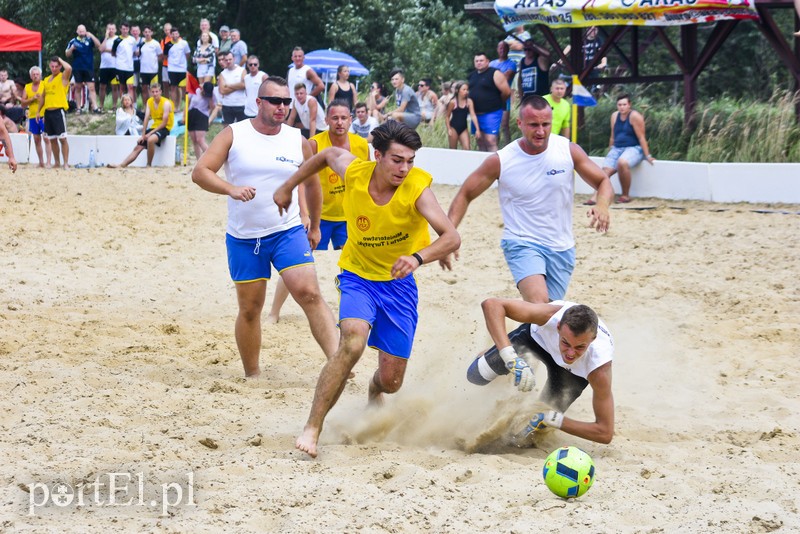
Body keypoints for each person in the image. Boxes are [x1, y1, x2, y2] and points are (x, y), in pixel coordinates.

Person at [273, 120, 461, 459]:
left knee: (391, 382)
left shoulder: (418, 187)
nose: (405, 168)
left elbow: (451, 237)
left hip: (399, 286)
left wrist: (420, 257)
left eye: (410, 161)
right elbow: (326, 154)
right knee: (352, 342)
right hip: (357, 276)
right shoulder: (355, 172)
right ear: (377, 156)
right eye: (397, 160)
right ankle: (312, 427)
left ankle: (375, 391)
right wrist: (289, 187)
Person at [191, 75, 340, 379]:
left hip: (287, 231)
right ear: (258, 102)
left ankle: (339, 363)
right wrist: (229, 189)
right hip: (245, 237)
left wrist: (314, 224)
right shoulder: (235, 134)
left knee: (309, 292)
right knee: (250, 308)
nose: (282, 107)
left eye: (286, 101)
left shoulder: (296, 139)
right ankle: (253, 374)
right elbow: (200, 172)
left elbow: (313, 183)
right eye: (275, 101)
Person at [445, 95, 613, 303]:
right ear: (520, 123)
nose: (541, 131)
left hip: (562, 246)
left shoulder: (568, 150)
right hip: (522, 241)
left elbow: (603, 181)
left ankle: (517, 335)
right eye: (534, 125)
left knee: (544, 319)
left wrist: (602, 205)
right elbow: (465, 194)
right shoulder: (502, 160)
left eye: (546, 124)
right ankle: (499, 319)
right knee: (539, 305)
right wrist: (448, 237)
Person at [267, 99, 370, 323]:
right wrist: (305, 214)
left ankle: (353, 313)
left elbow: (367, 181)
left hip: (348, 217)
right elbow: (302, 181)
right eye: (335, 118)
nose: (340, 122)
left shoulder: (361, 145)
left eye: (344, 118)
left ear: (351, 120)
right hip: (320, 216)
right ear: (327, 120)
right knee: (296, 263)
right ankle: (274, 312)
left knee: (355, 266)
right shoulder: (315, 144)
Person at [466, 299, 614, 445]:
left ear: (593, 339)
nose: (570, 353)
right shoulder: (549, 316)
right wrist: (510, 357)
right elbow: (491, 304)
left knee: (524, 437)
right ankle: (521, 359)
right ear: (558, 327)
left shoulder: (599, 367)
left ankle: (521, 363)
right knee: (475, 376)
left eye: (580, 347)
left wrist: (552, 418)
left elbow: (605, 433)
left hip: (573, 373)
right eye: (565, 342)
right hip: (536, 341)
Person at [587, 94, 655, 205]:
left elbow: (642, 137)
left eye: (624, 104)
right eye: (619, 105)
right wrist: (610, 150)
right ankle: (596, 196)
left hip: (634, 148)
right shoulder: (614, 116)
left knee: (622, 162)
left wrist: (648, 156)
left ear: (629, 105)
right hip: (617, 148)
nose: (622, 107)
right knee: (605, 170)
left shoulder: (635, 116)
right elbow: (613, 135)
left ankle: (625, 195)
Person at [108, 84, 173, 168]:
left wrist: (149, 134)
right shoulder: (149, 101)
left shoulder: (166, 103)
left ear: (160, 92)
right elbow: (146, 118)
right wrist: (143, 135)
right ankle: (122, 165)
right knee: (138, 146)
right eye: (153, 92)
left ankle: (149, 164)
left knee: (150, 140)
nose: (155, 94)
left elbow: (164, 123)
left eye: (157, 91)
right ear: (150, 92)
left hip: (164, 128)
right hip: (154, 127)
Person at [468, 52, 511, 152]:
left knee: (491, 140)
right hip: (476, 114)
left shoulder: (495, 73)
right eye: (476, 61)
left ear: (487, 62)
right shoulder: (472, 76)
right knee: (480, 141)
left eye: (481, 60)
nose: (479, 63)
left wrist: (496, 102)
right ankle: (484, 165)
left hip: (492, 112)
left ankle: (495, 164)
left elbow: (506, 92)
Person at [41, 56, 73, 169]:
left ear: (59, 66)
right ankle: (57, 162)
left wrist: (60, 59)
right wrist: (39, 111)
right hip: (48, 112)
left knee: (62, 138)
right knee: (52, 139)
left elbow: (69, 68)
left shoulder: (62, 77)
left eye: (56, 66)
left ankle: (65, 163)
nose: (54, 68)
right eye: (52, 66)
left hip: (58, 111)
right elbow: (43, 97)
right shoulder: (46, 79)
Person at [65, 25, 102, 113]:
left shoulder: (89, 39)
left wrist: (91, 35)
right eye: (80, 31)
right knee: (78, 87)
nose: (82, 32)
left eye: (83, 31)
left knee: (91, 87)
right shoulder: (73, 41)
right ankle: (78, 108)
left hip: (88, 67)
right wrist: (71, 49)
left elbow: (98, 45)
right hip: (77, 68)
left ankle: (95, 107)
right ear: (77, 31)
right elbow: (67, 54)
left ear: (86, 31)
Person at [20, 66, 51, 168]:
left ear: (40, 75)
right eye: (33, 74)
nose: (35, 76)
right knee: (36, 139)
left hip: (44, 115)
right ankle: (41, 162)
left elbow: (50, 98)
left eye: (37, 74)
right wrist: (32, 98)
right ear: (30, 76)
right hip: (32, 116)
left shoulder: (45, 84)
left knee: (46, 138)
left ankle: (49, 162)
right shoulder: (27, 87)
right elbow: (23, 103)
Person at [489, 41, 517, 146]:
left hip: (505, 97)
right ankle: (495, 147)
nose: (502, 50)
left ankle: (507, 146)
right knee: (494, 126)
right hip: (493, 98)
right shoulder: (491, 64)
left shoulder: (512, 64)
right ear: (497, 49)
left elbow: (506, 78)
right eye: (500, 48)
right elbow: (488, 79)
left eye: (504, 48)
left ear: (508, 50)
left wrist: (494, 77)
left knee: (505, 125)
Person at [446, 80, 480, 150]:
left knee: (467, 148)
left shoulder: (469, 101)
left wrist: (477, 129)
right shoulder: (453, 102)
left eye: (467, 90)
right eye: (464, 90)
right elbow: (447, 116)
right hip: (453, 127)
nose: (466, 92)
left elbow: (473, 115)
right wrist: (448, 128)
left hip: (464, 128)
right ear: (458, 90)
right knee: (453, 149)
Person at [187, 81, 217, 159]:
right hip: (192, 113)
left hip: (202, 115)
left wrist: (210, 98)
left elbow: (213, 107)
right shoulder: (195, 89)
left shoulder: (211, 94)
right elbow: (188, 102)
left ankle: (211, 158)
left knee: (200, 140)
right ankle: (198, 159)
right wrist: (184, 115)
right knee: (194, 140)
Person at [217, 51, 246, 125]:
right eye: (226, 60)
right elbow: (222, 90)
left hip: (241, 104)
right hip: (227, 105)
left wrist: (228, 85)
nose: (228, 61)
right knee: (227, 129)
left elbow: (244, 85)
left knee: (242, 128)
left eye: (230, 59)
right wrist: (237, 86)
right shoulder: (222, 74)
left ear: (234, 58)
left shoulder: (242, 70)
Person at [166, 26, 191, 110]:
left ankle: (186, 107)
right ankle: (174, 107)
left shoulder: (184, 43)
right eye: (173, 34)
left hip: (182, 69)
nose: (174, 35)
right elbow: (165, 56)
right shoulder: (168, 45)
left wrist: (183, 63)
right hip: (172, 69)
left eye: (176, 33)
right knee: (173, 88)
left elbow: (187, 54)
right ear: (170, 35)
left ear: (179, 34)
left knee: (184, 88)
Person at [113, 22, 137, 104]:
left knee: (130, 86)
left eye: (126, 29)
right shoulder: (117, 40)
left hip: (129, 67)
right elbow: (113, 53)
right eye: (123, 29)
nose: (125, 31)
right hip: (120, 67)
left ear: (129, 30)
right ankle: (122, 105)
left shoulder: (132, 40)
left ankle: (131, 106)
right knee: (122, 87)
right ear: (120, 29)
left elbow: (135, 52)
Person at [138, 25, 162, 104]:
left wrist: (153, 63)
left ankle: (154, 106)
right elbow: (138, 54)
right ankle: (146, 107)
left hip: (153, 71)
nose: (147, 33)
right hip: (143, 70)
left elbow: (160, 56)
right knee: (144, 89)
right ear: (143, 33)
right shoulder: (141, 43)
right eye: (145, 32)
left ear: (152, 33)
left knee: (154, 90)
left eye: (149, 32)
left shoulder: (155, 43)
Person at [98, 23, 119, 111]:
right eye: (109, 29)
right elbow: (101, 49)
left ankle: (114, 106)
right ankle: (101, 106)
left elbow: (117, 51)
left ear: (115, 30)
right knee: (102, 86)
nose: (111, 30)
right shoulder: (103, 39)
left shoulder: (118, 39)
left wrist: (107, 50)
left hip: (115, 66)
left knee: (115, 86)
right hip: (104, 66)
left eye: (112, 29)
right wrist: (106, 37)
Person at [160, 22, 173, 97]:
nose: (168, 31)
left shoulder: (178, 39)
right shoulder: (163, 41)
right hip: (165, 65)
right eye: (166, 30)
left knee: (174, 85)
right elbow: (162, 54)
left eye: (169, 30)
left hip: (174, 66)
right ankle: (166, 100)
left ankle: (176, 103)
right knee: (165, 84)